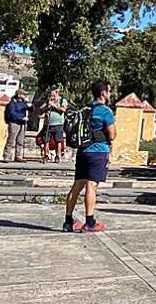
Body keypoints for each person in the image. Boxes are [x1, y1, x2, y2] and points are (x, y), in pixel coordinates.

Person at [62, 80, 115, 233]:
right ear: (103, 93)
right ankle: (90, 222)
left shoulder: (85, 110)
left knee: (77, 186)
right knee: (91, 186)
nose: (110, 94)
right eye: (109, 91)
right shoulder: (105, 111)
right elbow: (112, 135)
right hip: (98, 152)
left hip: (82, 152)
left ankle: (68, 221)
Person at [2, 89, 30, 163]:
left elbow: (31, 109)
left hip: (22, 124)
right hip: (14, 123)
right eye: (24, 94)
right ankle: (6, 156)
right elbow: (12, 113)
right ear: (19, 95)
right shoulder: (12, 103)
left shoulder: (24, 103)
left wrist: (29, 104)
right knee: (11, 140)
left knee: (20, 141)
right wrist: (21, 118)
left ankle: (18, 156)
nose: (25, 96)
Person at [43, 89, 68, 163]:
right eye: (51, 94)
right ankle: (46, 155)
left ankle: (58, 155)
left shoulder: (62, 100)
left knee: (58, 140)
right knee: (46, 140)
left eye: (53, 94)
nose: (51, 95)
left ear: (56, 93)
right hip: (48, 124)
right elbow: (41, 109)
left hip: (58, 124)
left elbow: (63, 109)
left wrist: (54, 105)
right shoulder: (48, 101)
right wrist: (47, 107)